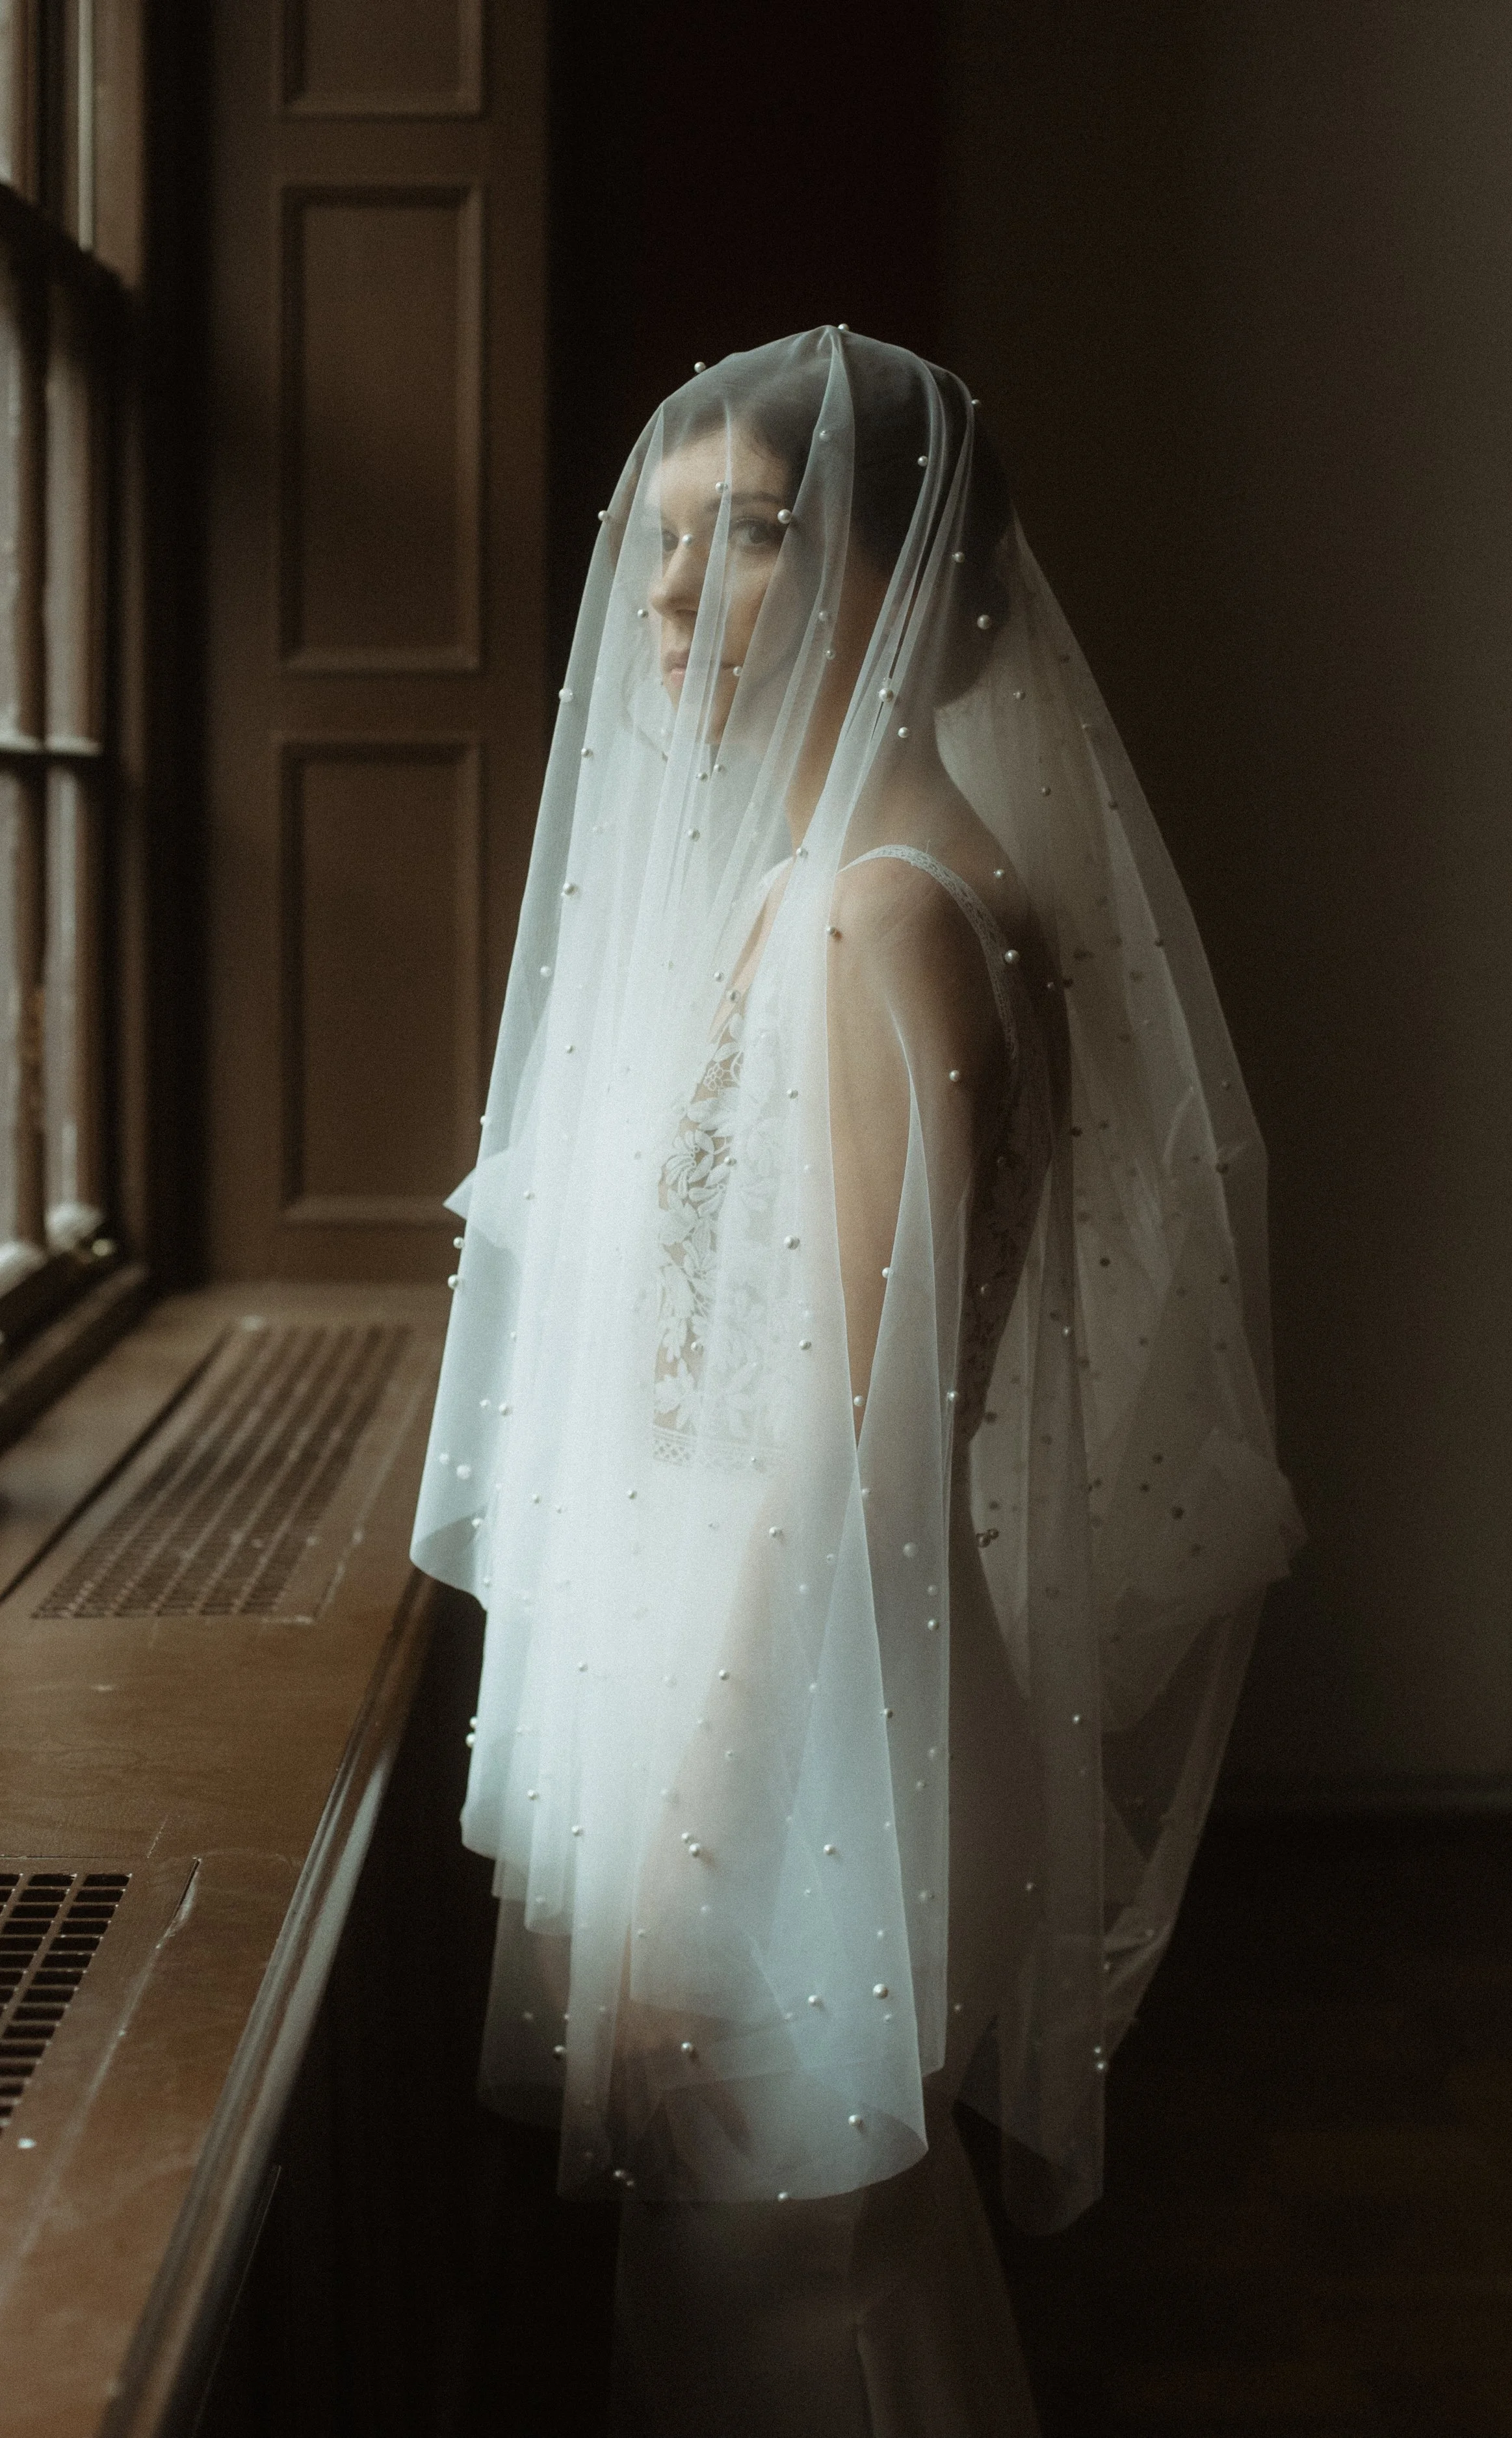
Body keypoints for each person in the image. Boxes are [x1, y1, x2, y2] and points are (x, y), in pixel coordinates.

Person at [412, 328, 1303, 2434]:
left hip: (805, 1713)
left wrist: (685, 1848)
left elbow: (823, 1454)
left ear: (920, 585)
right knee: (786, 2282)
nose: (671, 598)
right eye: (657, 544)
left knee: (785, 2302)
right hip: (804, 1675)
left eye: (748, 538)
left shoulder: (879, 918)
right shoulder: (834, 891)